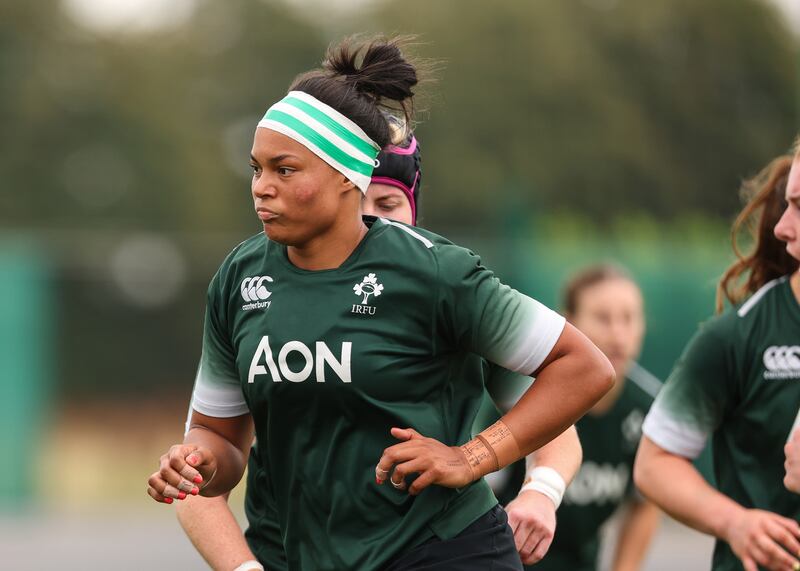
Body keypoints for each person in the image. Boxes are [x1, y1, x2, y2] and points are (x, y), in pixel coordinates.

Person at [147, 35, 614, 570]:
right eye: (256, 169)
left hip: (441, 551)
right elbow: (221, 440)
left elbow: (583, 367)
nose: (261, 188)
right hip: (301, 553)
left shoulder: (434, 271)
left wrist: (475, 457)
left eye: (285, 170)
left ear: (349, 176)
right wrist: (198, 462)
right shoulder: (239, 278)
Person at [634, 152, 800, 571]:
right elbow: (655, 464)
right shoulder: (739, 335)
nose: (781, 227)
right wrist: (736, 523)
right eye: (788, 204)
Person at [487, 264, 661, 571]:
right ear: (568, 323)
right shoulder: (521, 394)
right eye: (603, 318)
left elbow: (645, 500)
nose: (618, 333)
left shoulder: (649, 408)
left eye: (629, 318)